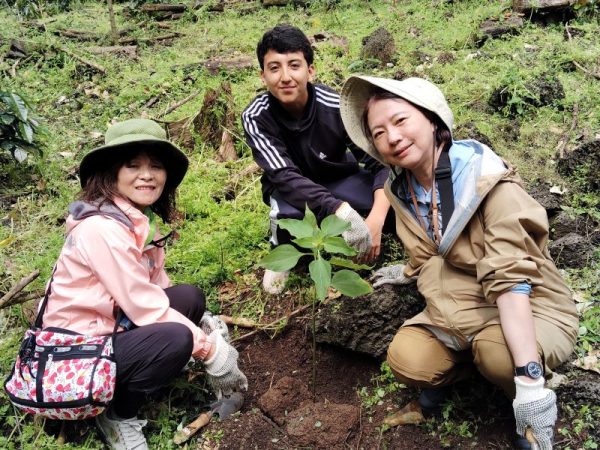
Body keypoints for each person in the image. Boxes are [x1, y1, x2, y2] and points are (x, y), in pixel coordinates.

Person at [340, 76, 578, 449]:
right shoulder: (399, 190)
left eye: (401, 121)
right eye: (380, 132)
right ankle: (473, 369)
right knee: (408, 359)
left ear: (433, 120)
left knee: (501, 357)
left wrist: (530, 383)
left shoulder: (488, 183)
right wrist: (404, 271)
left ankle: (524, 396)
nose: (392, 137)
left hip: (529, 302)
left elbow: (511, 280)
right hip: (455, 307)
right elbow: (428, 251)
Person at [41, 119, 247, 450]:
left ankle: (150, 366)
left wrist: (201, 321)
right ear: (112, 173)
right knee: (177, 337)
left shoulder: (135, 221)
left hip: (111, 326)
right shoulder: (102, 230)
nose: (147, 175)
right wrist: (208, 349)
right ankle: (118, 416)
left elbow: (156, 290)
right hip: (75, 351)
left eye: (156, 166)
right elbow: (143, 305)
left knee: (189, 298)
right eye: (133, 165)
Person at [242, 24, 391, 294]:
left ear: (310, 70)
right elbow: (283, 176)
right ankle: (282, 255)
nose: (285, 77)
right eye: (274, 68)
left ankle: (369, 224)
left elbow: (378, 162)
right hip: (291, 190)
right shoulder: (256, 116)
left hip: (337, 177)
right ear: (262, 75)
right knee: (286, 215)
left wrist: (377, 218)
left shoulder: (336, 105)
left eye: (294, 65)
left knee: (384, 201)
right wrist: (340, 210)